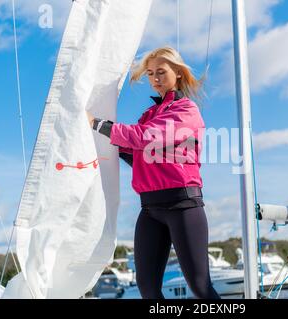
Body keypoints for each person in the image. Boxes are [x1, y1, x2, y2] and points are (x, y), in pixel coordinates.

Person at [87, 47, 220, 299]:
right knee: (147, 289)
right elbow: (135, 150)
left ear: (178, 73)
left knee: (200, 287)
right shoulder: (149, 114)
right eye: (150, 73)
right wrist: (92, 137)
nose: (155, 79)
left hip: (183, 206)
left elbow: (144, 138)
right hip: (150, 209)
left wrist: (96, 123)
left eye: (161, 72)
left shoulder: (186, 111)